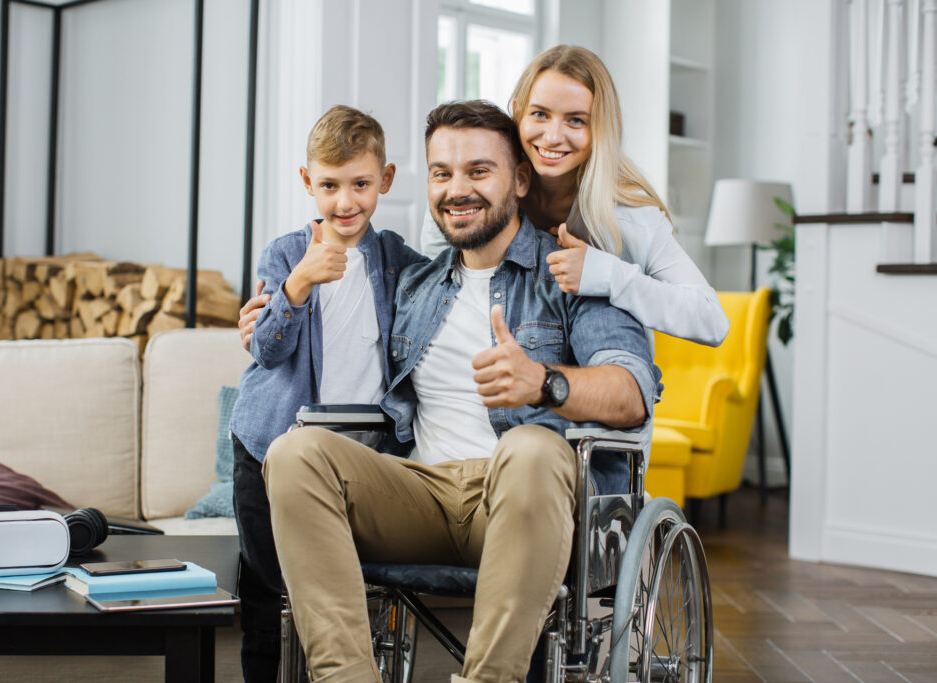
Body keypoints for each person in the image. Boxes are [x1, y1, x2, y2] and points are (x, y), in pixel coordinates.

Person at [262, 100, 659, 683]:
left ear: (520, 179)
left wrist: (543, 383)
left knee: (531, 445)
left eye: (479, 171)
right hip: (421, 492)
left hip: (524, 494)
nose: (457, 189)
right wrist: (274, 308)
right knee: (294, 453)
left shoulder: (574, 273)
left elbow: (632, 393)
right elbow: (340, 323)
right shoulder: (415, 281)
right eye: (443, 174)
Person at [228, 105, 423, 682]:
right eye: (330, 185)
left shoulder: (397, 263)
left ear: (384, 181)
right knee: (265, 588)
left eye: (361, 184)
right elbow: (264, 350)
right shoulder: (286, 254)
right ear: (307, 182)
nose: (345, 202)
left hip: (358, 452)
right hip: (267, 446)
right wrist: (298, 284)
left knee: (343, 587)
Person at [418, 44, 729, 348]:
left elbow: (711, 321)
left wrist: (606, 274)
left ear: (600, 129)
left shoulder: (630, 217)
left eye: (576, 120)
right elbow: (437, 293)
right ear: (518, 112)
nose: (553, 136)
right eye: (540, 114)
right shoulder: (472, 200)